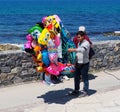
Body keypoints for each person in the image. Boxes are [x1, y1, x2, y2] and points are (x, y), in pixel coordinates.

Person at [68, 31, 90, 97]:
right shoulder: (79, 43)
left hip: (84, 63)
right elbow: (78, 53)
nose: (78, 38)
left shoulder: (86, 43)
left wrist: (73, 50)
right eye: (77, 37)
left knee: (85, 77)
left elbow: (82, 50)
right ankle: (76, 90)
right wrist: (74, 62)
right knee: (76, 77)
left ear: (83, 36)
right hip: (78, 63)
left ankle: (85, 91)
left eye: (79, 37)